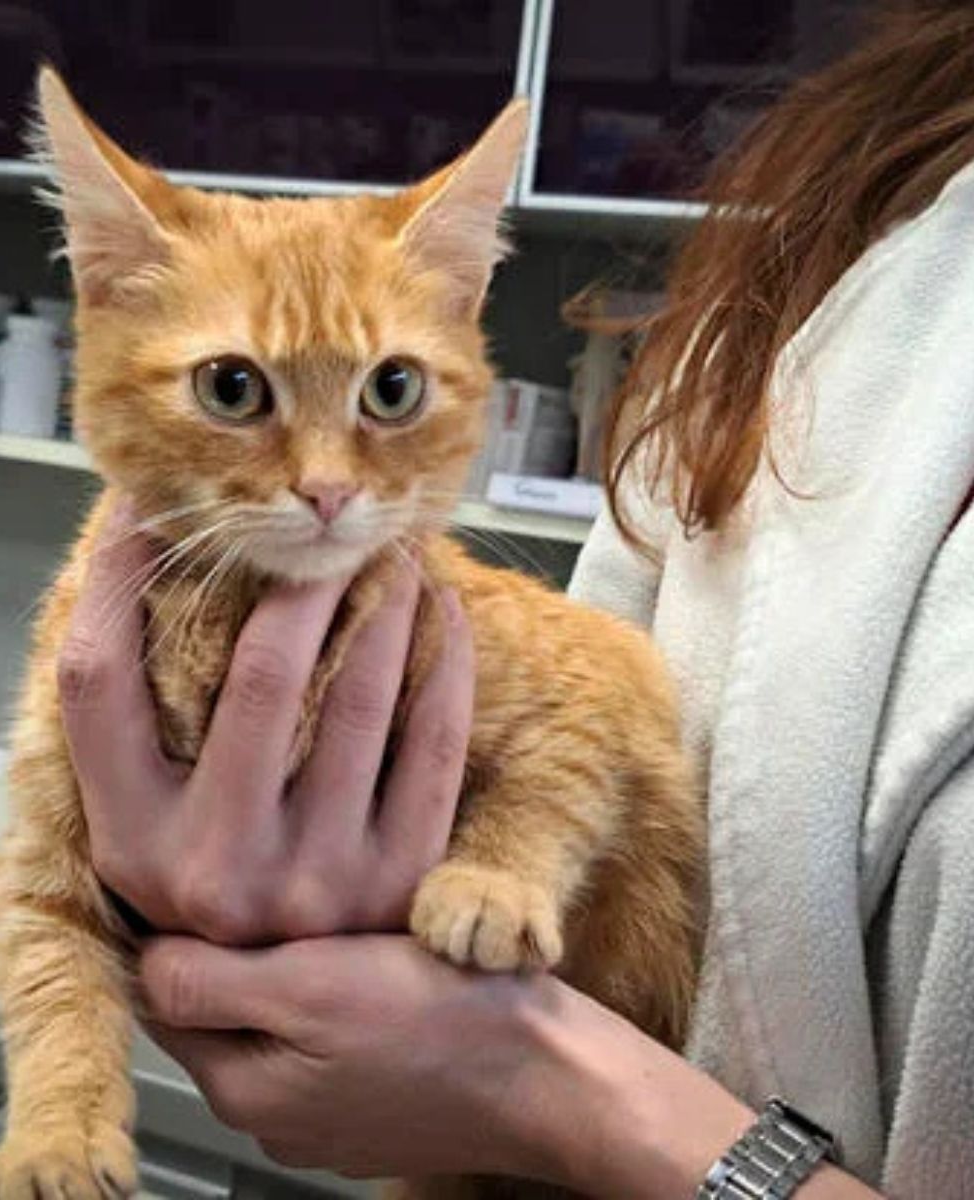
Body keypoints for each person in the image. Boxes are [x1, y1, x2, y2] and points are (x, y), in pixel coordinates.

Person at [54, 4, 974, 1197]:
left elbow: (610, 720)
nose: (328, 482)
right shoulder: (880, 180)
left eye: (392, 390)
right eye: (236, 386)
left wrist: (545, 1085)